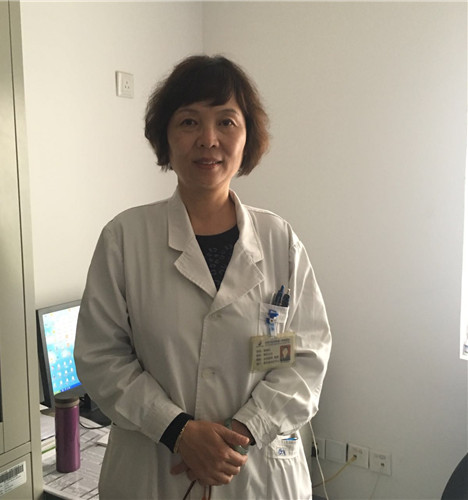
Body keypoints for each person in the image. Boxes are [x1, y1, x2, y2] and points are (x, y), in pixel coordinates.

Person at [74, 55, 331, 500]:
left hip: (257, 475)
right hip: (152, 472)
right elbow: (101, 357)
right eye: (189, 121)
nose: (208, 139)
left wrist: (241, 432)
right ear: (166, 136)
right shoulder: (124, 238)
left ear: (247, 137)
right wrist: (177, 430)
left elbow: (307, 358)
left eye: (226, 122)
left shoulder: (280, 240)